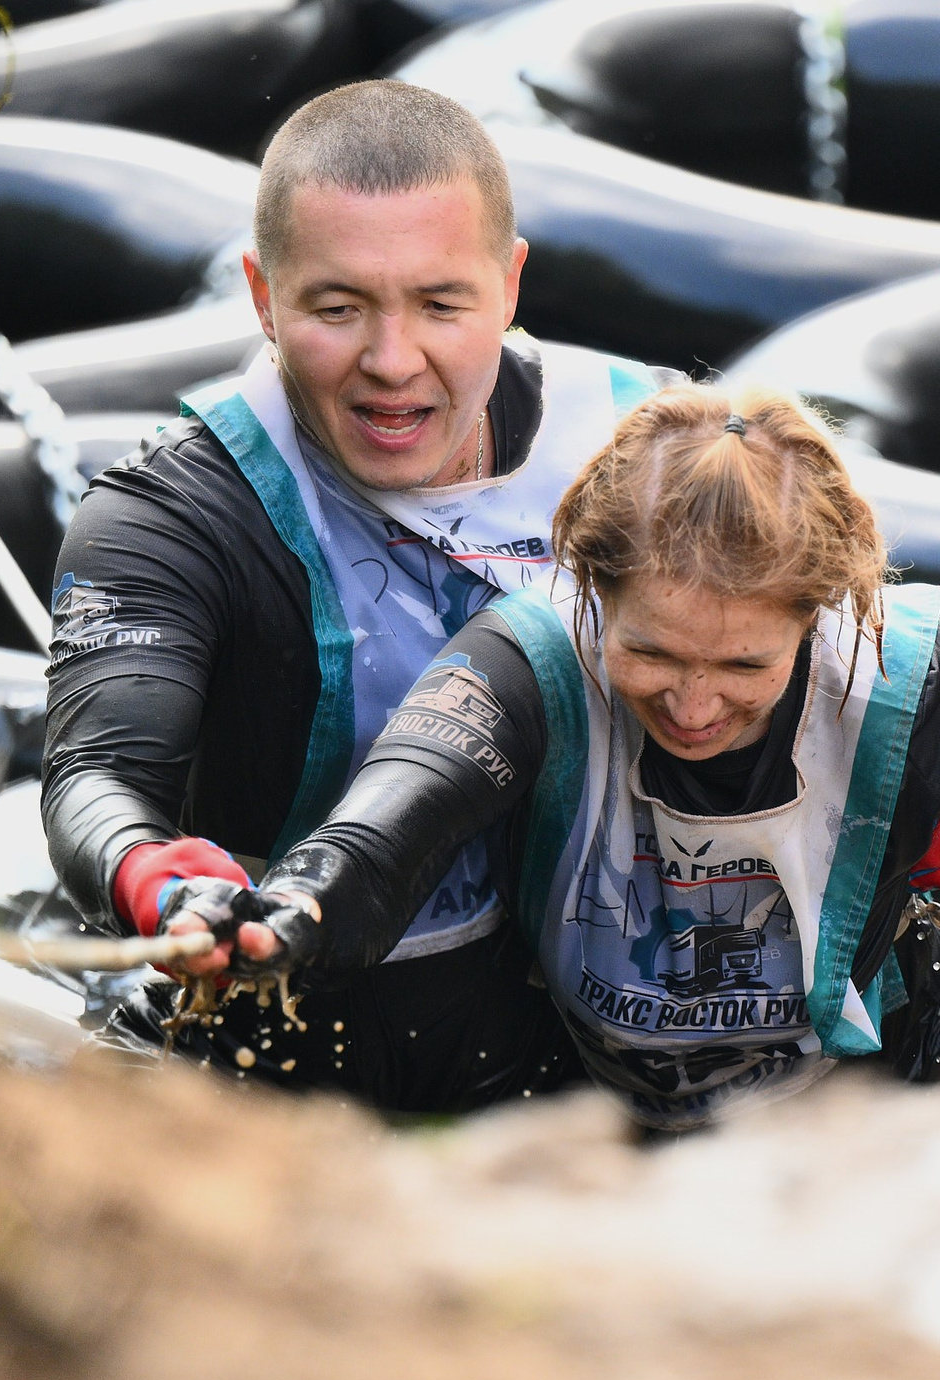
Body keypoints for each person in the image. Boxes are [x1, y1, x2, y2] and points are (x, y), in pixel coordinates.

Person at [178, 386, 940, 1129]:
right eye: (651, 653)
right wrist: (282, 920)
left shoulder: (922, 680)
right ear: (591, 592)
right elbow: (375, 842)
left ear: (818, 616)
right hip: (589, 1088)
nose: (695, 704)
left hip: (887, 1075)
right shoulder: (524, 664)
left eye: (745, 668)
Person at [42, 79, 683, 1111]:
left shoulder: (649, 456)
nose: (392, 364)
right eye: (337, 309)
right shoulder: (169, 509)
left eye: (440, 304)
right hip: (277, 1023)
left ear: (510, 284)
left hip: (575, 1019)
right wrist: (153, 876)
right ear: (261, 294)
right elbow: (95, 774)